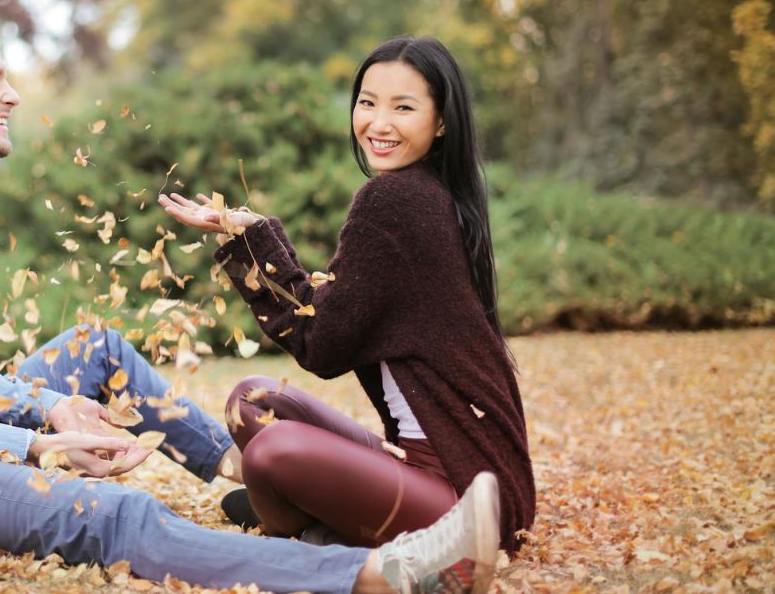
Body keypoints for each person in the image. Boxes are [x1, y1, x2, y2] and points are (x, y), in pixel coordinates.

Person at [0, 6, 502, 594]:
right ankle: (375, 573)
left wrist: (47, 401)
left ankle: (236, 472)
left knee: (94, 350)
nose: (13, 94)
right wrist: (38, 444)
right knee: (115, 514)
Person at [160, 36, 534, 561]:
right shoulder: (430, 192)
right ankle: (313, 513)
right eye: (367, 101)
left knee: (270, 449)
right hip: (453, 473)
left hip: (466, 502)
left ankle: (312, 525)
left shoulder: (393, 201)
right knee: (254, 401)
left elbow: (322, 345)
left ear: (441, 121)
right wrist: (249, 235)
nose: (378, 124)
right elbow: (333, 315)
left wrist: (253, 244)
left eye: (403, 107)